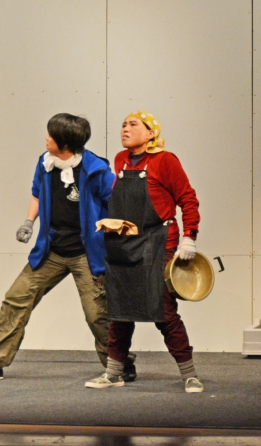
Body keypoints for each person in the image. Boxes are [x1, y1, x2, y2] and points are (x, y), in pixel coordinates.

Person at [0, 113, 136, 381]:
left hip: (86, 254)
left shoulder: (96, 170)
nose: (46, 138)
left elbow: (118, 202)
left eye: (51, 135)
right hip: (51, 249)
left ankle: (120, 363)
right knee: (16, 299)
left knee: (97, 314)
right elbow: (37, 194)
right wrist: (28, 222)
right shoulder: (45, 164)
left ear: (65, 143)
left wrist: (113, 235)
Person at [84, 110, 203, 393]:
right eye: (123, 124)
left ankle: (190, 375)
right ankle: (114, 373)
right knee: (119, 310)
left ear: (151, 133)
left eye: (133, 124)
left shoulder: (165, 160)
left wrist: (189, 237)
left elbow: (188, 199)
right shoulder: (120, 160)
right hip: (124, 245)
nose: (125, 129)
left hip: (158, 242)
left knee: (163, 310)